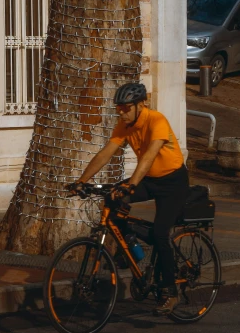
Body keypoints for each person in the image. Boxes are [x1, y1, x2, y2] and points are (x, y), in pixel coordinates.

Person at [73, 82, 189, 316]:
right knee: (112, 199)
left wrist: (131, 184)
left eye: (126, 108)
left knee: (159, 233)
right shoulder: (124, 125)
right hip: (149, 180)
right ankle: (128, 249)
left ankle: (171, 292)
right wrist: (82, 180)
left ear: (140, 105)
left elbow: (148, 156)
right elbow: (106, 152)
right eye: (119, 108)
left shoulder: (156, 120)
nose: (121, 112)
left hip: (173, 183)